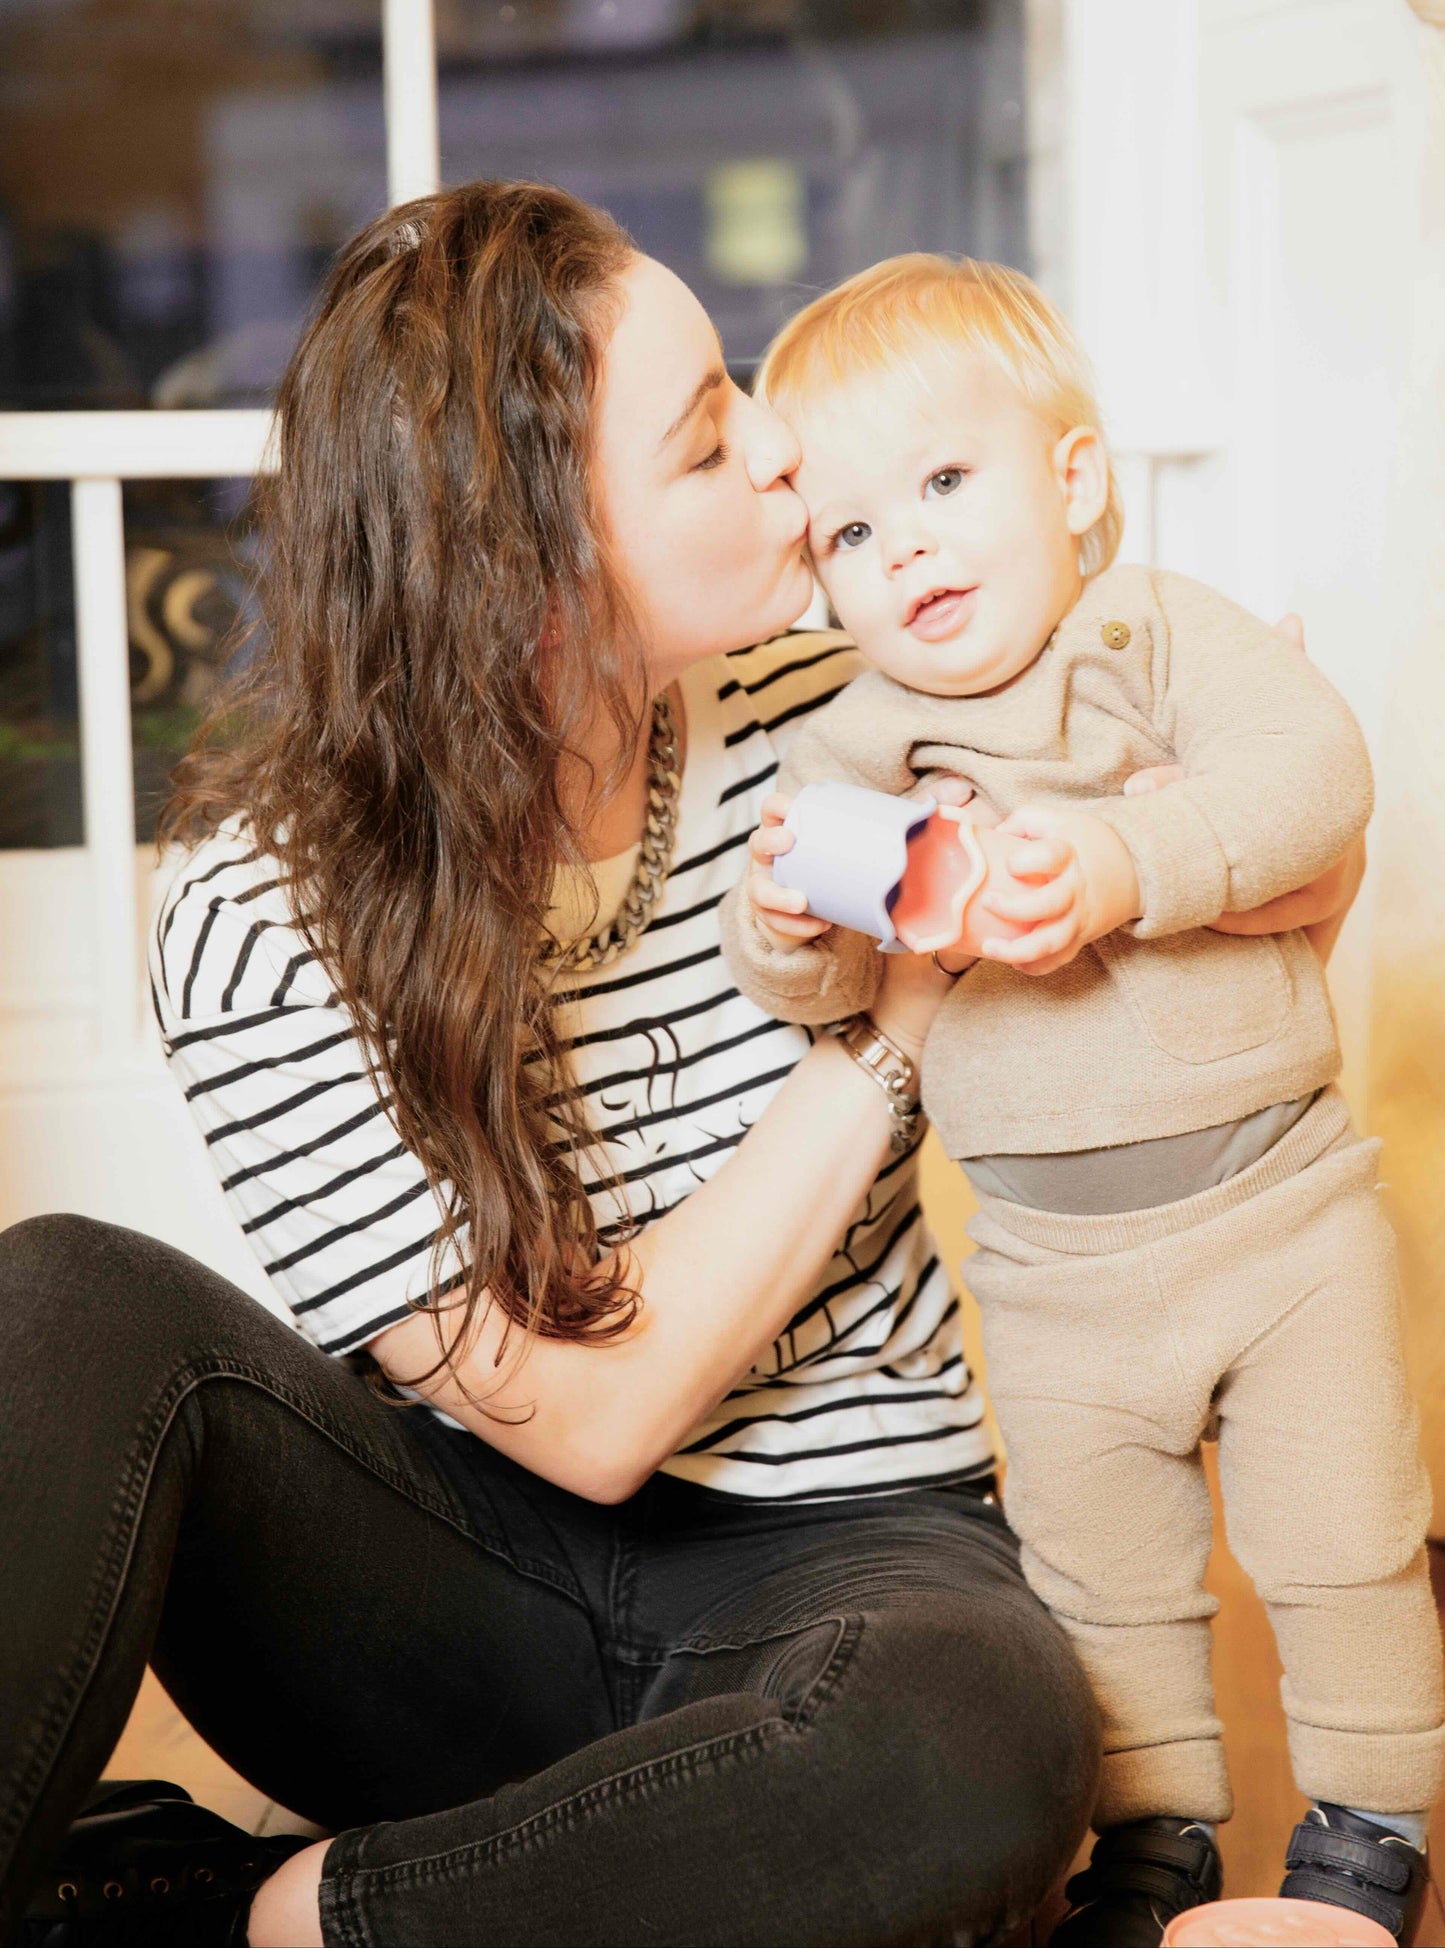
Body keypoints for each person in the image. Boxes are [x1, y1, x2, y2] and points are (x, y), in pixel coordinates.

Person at [0, 184, 1360, 1948]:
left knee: (987, 1740)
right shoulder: (256, 900)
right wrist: (896, 1028)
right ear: (533, 550)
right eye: (715, 440)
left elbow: (1293, 841)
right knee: (67, 1299)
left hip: (858, 1538)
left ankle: (268, 1920)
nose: (791, 463)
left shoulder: (857, 705)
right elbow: (590, 1426)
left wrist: (1150, 849)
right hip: (453, 1587)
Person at [719, 251, 1442, 1947]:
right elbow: (830, 994)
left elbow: (1313, 779)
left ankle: (1366, 1831)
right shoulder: (851, 751)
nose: (900, 546)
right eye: (848, 530)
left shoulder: (1151, 637)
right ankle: (1153, 1838)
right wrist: (784, 933)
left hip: (1281, 1216)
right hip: (1047, 1276)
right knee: (1097, 1583)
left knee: (1343, 1542)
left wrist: (1126, 860)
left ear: (1075, 481)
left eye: (945, 484)